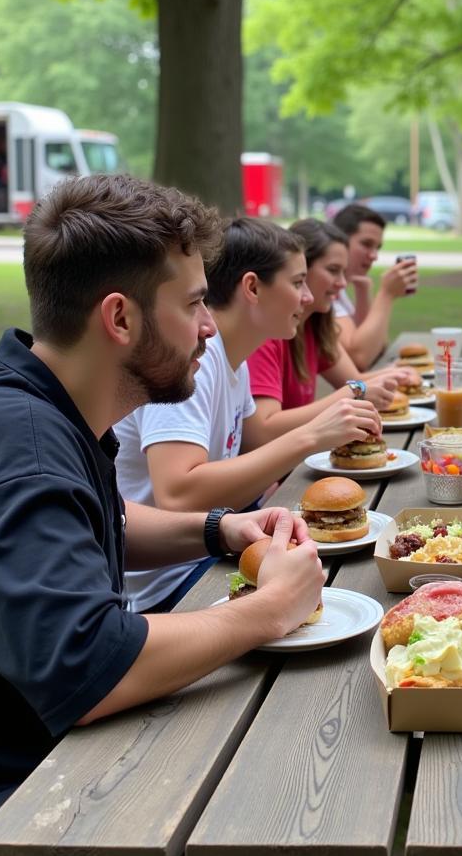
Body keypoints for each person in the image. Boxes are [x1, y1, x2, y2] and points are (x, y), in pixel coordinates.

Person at [0, 176, 324, 856]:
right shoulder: (24, 451)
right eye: (192, 304)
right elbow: (88, 669)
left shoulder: (34, 401)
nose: (209, 326)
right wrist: (269, 610)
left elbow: (104, 519)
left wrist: (218, 530)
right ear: (119, 319)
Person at [115, 217, 383, 614]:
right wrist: (312, 436)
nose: (308, 298)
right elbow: (177, 493)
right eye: (297, 283)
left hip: (212, 555)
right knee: (354, 597)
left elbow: (256, 439)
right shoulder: (196, 363)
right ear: (252, 287)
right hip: (169, 586)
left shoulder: (232, 361)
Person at [245, 218, 409, 438]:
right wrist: (352, 394)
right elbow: (261, 430)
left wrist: (396, 374)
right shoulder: (267, 332)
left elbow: (355, 378)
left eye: (343, 272)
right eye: (333, 270)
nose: (342, 283)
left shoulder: (315, 323)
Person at [331, 203, 418, 369]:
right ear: (340, 241)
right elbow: (360, 359)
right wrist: (386, 294)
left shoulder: (341, 290)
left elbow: (377, 346)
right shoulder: (324, 291)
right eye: (366, 244)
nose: (374, 256)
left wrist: (363, 292)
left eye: (377, 247)